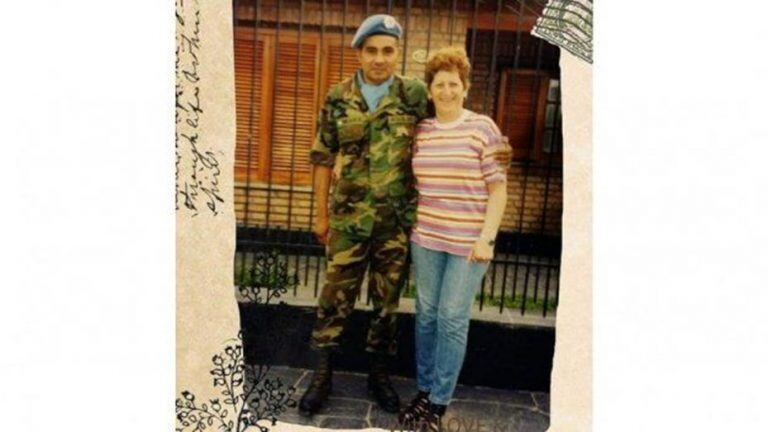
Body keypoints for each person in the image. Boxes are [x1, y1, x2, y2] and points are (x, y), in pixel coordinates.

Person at [299, 14, 429, 416]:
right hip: (348, 221)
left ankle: (379, 374)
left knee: (387, 304)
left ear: (397, 53)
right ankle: (322, 374)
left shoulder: (414, 95)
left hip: (395, 221)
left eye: (388, 51)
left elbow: (448, 129)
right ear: (359, 52)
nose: (379, 59)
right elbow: (322, 157)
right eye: (371, 51)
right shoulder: (338, 97)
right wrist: (319, 215)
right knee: (334, 297)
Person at [398, 46, 511, 431]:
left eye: (453, 84)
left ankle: (440, 401)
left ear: (465, 88)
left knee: (450, 319)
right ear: (429, 91)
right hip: (427, 239)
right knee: (426, 317)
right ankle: (425, 390)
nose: (446, 91)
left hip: (468, 245)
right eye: (439, 84)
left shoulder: (483, 128)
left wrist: (487, 239)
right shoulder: (423, 132)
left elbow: (498, 190)